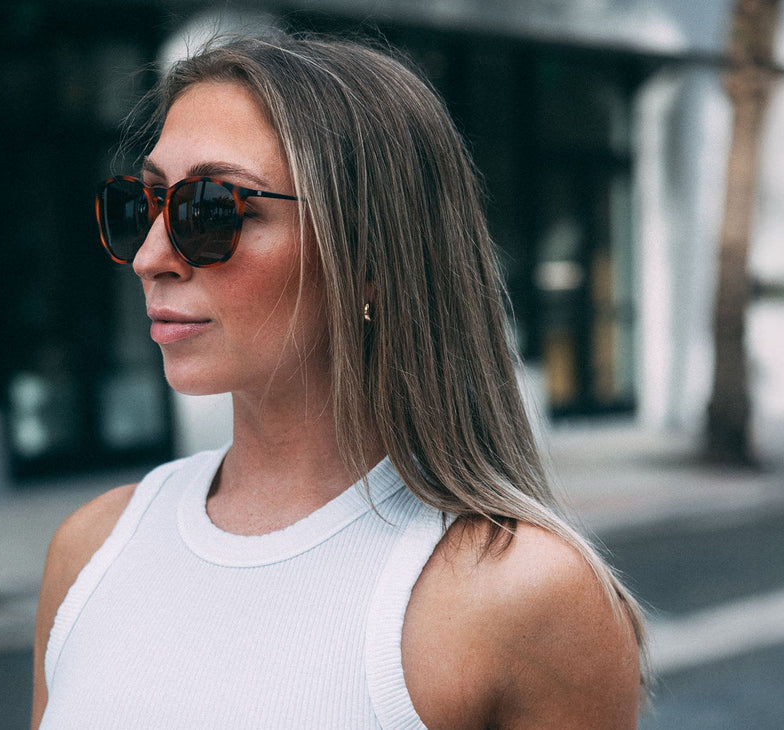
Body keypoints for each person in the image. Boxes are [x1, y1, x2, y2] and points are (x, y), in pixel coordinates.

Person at [33, 33, 646, 729]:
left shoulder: (519, 593)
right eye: (143, 204)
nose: (149, 256)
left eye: (209, 210)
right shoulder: (91, 549)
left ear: (370, 256)